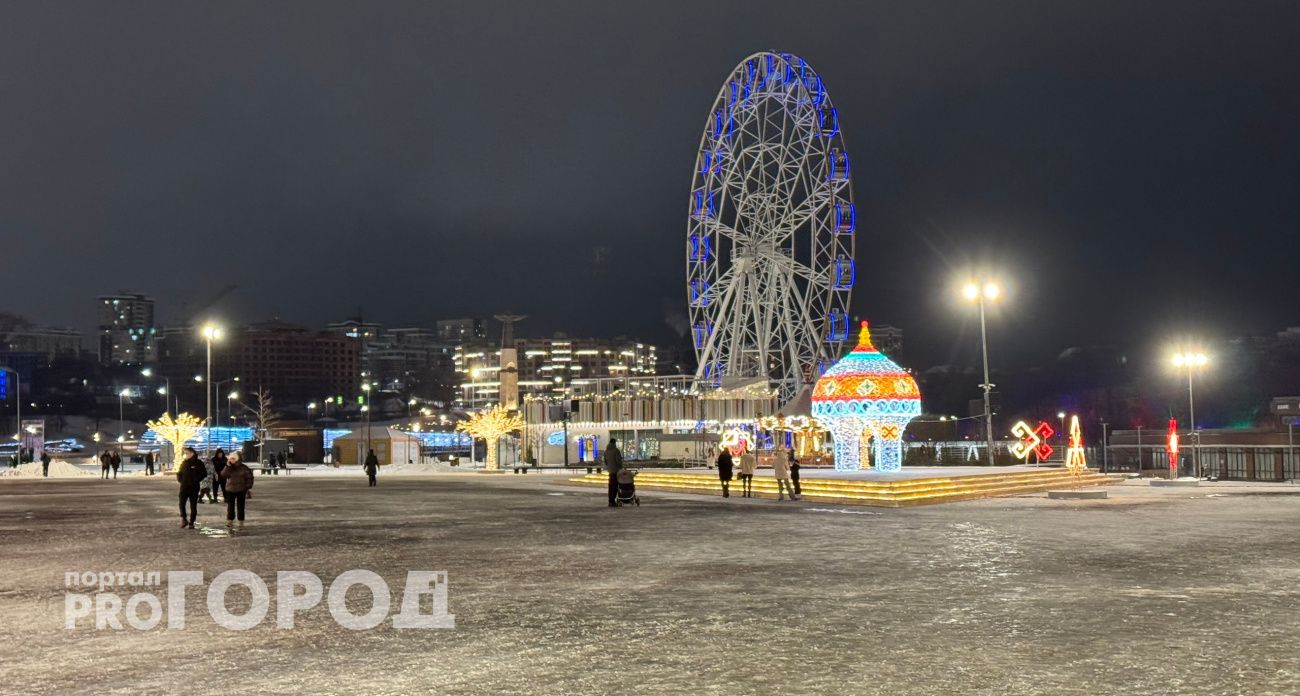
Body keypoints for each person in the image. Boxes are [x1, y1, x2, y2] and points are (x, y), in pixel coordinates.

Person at [219, 451, 254, 529]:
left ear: (237, 459)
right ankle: (229, 521)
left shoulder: (244, 468)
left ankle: (241, 522)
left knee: (240, 506)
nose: (232, 460)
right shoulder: (228, 467)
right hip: (230, 489)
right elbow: (223, 475)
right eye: (230, 459)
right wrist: (227, 466)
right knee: (230, 506)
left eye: (233, 459)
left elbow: (249, 478)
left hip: (241, 490)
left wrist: (247, 487)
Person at [176, 447, 206, 528]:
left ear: (192, 453)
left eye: (187, 453)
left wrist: (196, 480)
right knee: (181, 503)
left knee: (193, 505)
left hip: (194, 487)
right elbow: (179, 473)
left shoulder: (199, 463)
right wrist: (180, 479)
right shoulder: (184, 463)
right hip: (184, 487)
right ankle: (184, 519)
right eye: (185, 453)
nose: (185, 455)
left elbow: (204, 473)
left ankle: (192, 522)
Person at [603, 438, 624, 507]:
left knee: (610, 486)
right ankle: (613, 501)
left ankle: (610, 501)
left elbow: (605, 461)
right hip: (615, 471)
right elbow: (618, 461)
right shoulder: (616, 451)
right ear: (614, 443)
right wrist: (621, 467)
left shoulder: (606, 451)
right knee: (615, 486)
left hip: (610, 471)